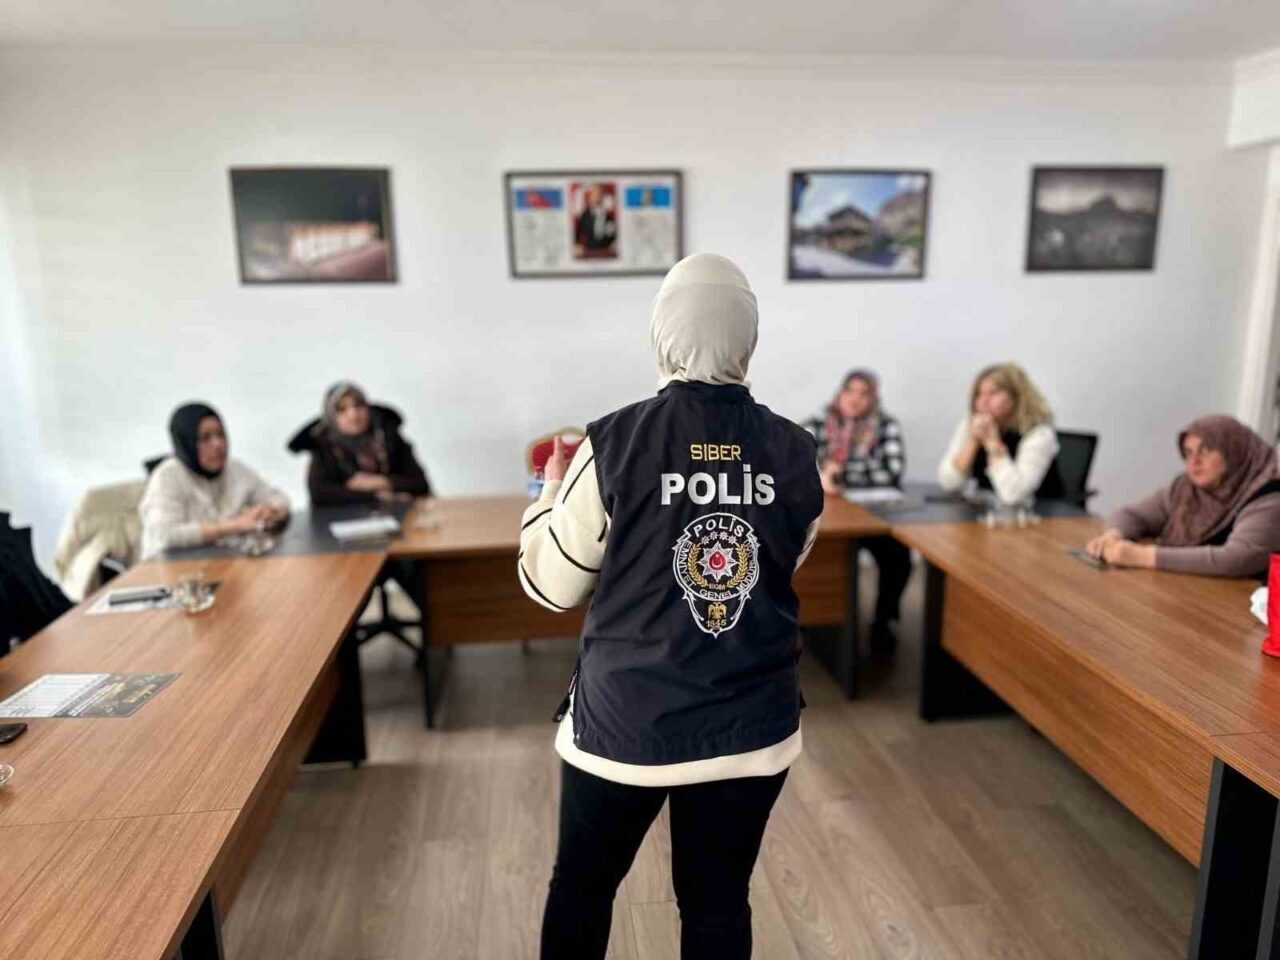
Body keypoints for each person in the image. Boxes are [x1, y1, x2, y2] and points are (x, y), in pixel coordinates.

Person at [518, 253, 823, 959]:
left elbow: (552, 587)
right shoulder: (797, 450)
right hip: (751, 724)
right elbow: (777, 563)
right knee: (718, 902)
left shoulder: (613, 440)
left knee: (584, 888)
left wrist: (547, 494)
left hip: (627, 723)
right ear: (748, 335)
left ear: (662, 331)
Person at [1085, 415, 1280, 577]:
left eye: (1205, 450)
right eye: (1188, 452)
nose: (1194, 461)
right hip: (1189, 591)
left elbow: (1237, 559)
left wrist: (1142, 556)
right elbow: (1132, 515)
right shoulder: (1186, 488)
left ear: (1235, 451)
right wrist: (1113, 535)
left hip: (1242, 604)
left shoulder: (1269, 495)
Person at [806, 369, 910, 649]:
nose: (855, 399)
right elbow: (794, 464)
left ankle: (883, 621)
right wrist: (823, 475)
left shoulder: (885, 425)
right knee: (819, 556)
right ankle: (818, 621)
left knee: (898, 557)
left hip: (873, 516)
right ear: (840, 394)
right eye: (850, 391)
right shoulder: (817, 423)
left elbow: (892, 470)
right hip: (826, 517)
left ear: (874, 398)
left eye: (864, 394)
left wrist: (838, 474)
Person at [139, 403, 289, 560]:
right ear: (187, 442)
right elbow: (165, 535)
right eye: (205, 438)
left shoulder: (235, 469)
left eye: (221, 435)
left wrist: (268, 511)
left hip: (223, 563)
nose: (218, 444)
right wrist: (235, 525)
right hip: (170, 567)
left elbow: (278, 498)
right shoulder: (167, 476)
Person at [286, 381, 431, 507]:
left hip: (399, 515)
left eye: (359, 405)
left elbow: (420, 484)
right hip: (343, 520)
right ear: (332, 417)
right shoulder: (323, 444)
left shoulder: (389, 436)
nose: (353, 415)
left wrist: (379, 482)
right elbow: (319, 494)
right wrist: (377, 496)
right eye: (342, 409)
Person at [937, 362, 1062, 504]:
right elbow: (948, 483)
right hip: (987, 510)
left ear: (1016, 397)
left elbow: (1014, 495)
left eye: (993, 393)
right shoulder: (970, 425)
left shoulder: (1039, 434)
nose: (983, 401)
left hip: (1040, 513)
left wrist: (993, 445)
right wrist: (972, 442)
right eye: (979, 394)